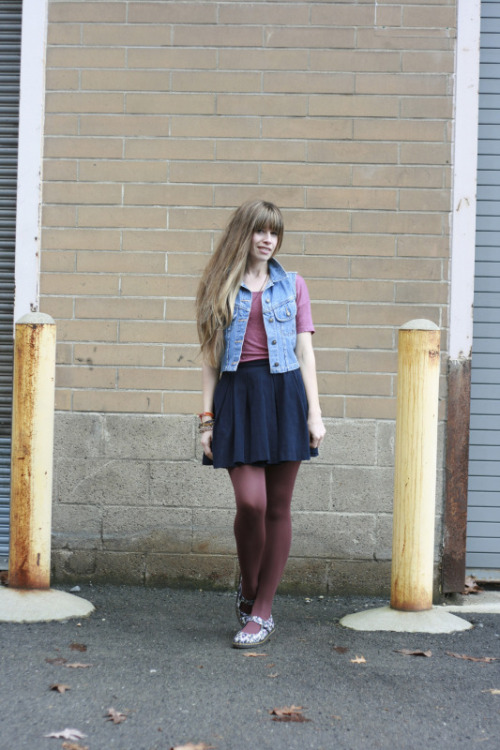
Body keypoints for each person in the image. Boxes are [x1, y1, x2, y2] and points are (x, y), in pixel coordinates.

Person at [195, 200, 325, 649]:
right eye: (260, 231)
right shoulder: (219, 286)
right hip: (239, 395)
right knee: (250, 503)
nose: (268, 240)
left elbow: (305, 352)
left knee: (278, 507)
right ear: (243, 234)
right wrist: (206, 421)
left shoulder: (293, 286)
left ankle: (263, 611)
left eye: (275, 233)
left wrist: (315, 412)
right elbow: (211, 362)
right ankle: (249, 590)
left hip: (285, 393)